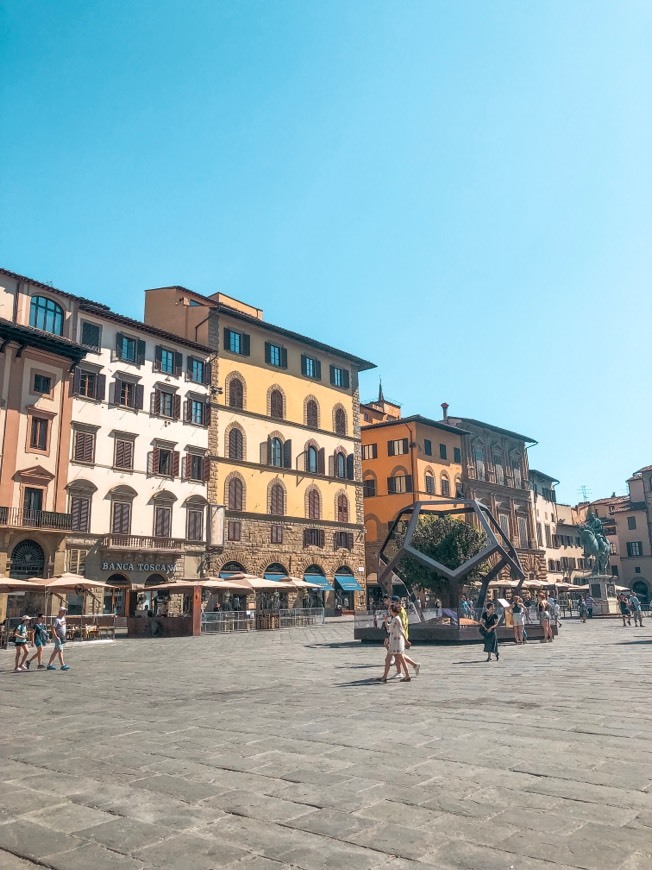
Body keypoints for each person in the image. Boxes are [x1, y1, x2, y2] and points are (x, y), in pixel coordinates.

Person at [379, 603, 410, 682]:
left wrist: (406, 641)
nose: (389, 610)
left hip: (395, 641)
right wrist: (386, 620)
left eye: (390, 609)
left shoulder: (395, 619)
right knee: (401, 659)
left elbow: (399, 629)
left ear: (392, 610)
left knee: (388, 659)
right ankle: (407, 675)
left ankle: (384, 677)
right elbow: (390, 628)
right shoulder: (396, 619)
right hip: (398, 640)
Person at [394, 595, 421, 678]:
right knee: (397, 654)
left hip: (401, 636)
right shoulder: (399, 611)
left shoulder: (400, 613)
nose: (393, 604)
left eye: (394, 602)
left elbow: (401, 627)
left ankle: (406, 670)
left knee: (399, 655)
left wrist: (405, 640)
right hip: (399, 636)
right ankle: (403, 670)